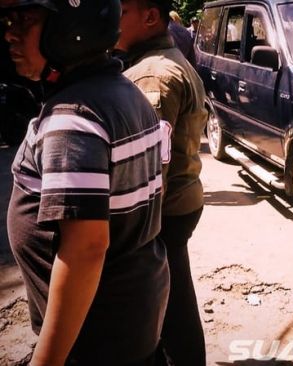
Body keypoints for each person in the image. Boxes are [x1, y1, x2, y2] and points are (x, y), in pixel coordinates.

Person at [1, 0, 169, 365]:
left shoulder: (72, 118)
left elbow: (86, 250)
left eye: (25, 18)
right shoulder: (124, 92)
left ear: (72, 26)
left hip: (92, 340)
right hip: (131, 320)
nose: (9, 32)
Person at [115, 1, 208, 365]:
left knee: (165, 310)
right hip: (178, 205)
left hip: (163, 213)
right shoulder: (158, 61)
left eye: (120, 12)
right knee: (175, 300)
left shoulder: (153, 75)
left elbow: (152, 171)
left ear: (150, 16)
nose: (110, 20)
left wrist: (135, 232)